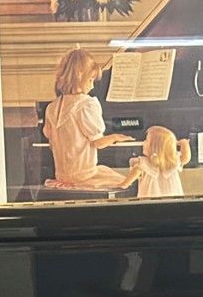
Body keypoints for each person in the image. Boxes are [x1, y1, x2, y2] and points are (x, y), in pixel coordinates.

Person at [42, 48, 132, 188]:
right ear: (79, 76)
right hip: (84, 176)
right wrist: (115, 137)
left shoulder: (51, 107)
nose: (92, 86)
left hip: (62, 177)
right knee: (130, 182)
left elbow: (51, 141)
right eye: (90, 80)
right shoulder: (86, 104)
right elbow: (98, 143)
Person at [125, 125, 190, 198]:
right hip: (172, 202)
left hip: (149, 203)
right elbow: (185, 158)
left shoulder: (141, 164)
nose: (143, 142)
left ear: (154, 147)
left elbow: (126, 184)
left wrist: (119, 184)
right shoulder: (173, 162)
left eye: (146, 140)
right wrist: (184, 144)